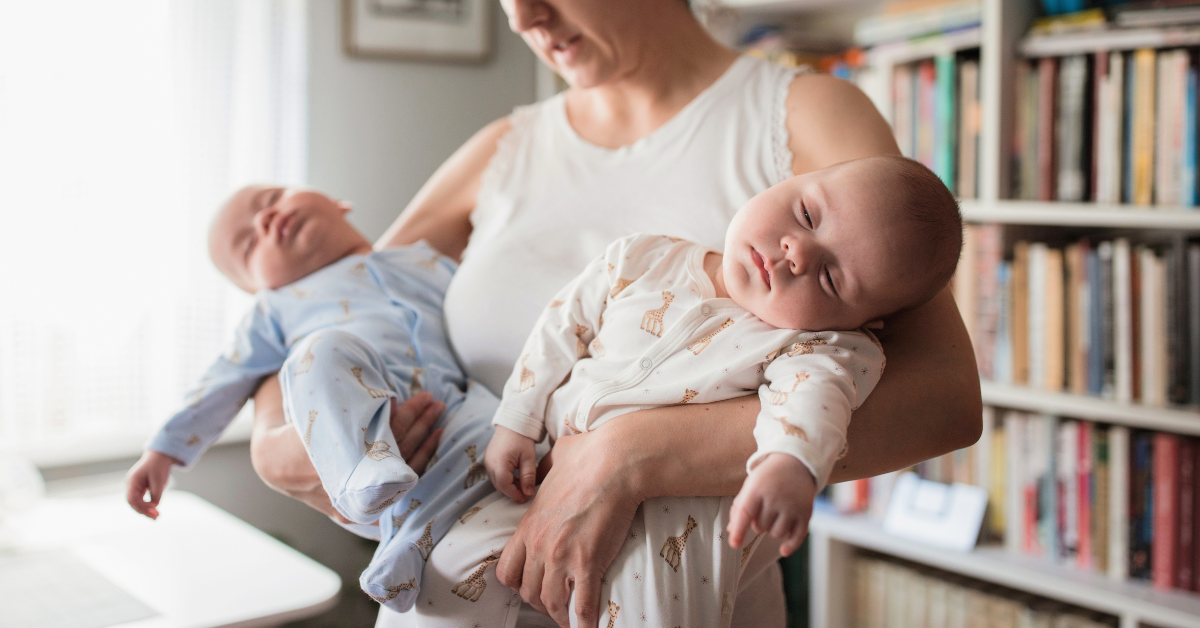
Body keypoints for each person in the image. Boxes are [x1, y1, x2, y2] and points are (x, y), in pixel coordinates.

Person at [248, 1, 983, 626]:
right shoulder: (503, 149)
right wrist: (275, 438)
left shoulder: (802, 115)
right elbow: (331, 302)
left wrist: (626, 454)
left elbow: (943, 402)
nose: (523, 16)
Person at [413, 155, 960, 626]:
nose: (797, 252)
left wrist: (789, 465)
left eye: (832, 279)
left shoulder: (817, 346)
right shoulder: (643, 258)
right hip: (544, 469)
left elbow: (814, 405)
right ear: (791, 179)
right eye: (807, 215)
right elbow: (561, 328)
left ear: (864, 323)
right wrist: (518, 418)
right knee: (450, 577)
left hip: (677, 524)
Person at [125, 185, 496, 612]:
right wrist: (162, 451)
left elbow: (482, 309)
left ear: (339, 201)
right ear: (257, 287)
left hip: (450, 411)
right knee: (321, 351)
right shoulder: (275, 310)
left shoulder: (422, 261)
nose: (265, 220)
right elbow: (223, 378)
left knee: (495, 426)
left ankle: (401, 556)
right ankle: (363, 473)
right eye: (248, 245)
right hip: (364, 422)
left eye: (269, 201)